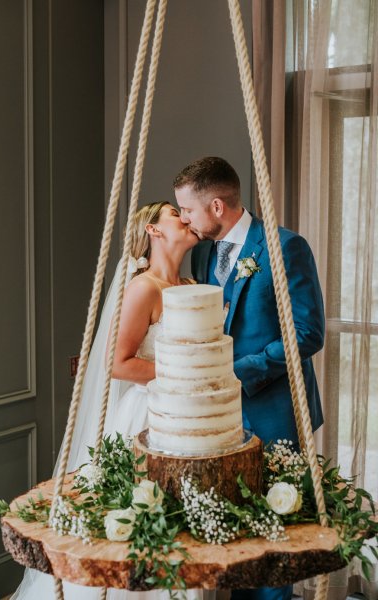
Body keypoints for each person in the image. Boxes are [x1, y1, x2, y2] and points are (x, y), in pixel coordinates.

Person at [12, 201, 208, 600]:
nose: (186, 218)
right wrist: (182, 371)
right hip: (147, 416)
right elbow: (117, 364)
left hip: (192, 415)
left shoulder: (191, 287)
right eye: (175, 214)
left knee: (181, 522)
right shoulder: (143, 289)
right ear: (153, 231)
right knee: (144, 517)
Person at [174, 156, 325, 600]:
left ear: (217, 206)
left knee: (270, 548)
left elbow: (307, 333)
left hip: (274, 415)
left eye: (188, 210)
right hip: (219, 423)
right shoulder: (202, 254)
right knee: (234, 547)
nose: (184, 219)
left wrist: (240, 371)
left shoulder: (284, 246)